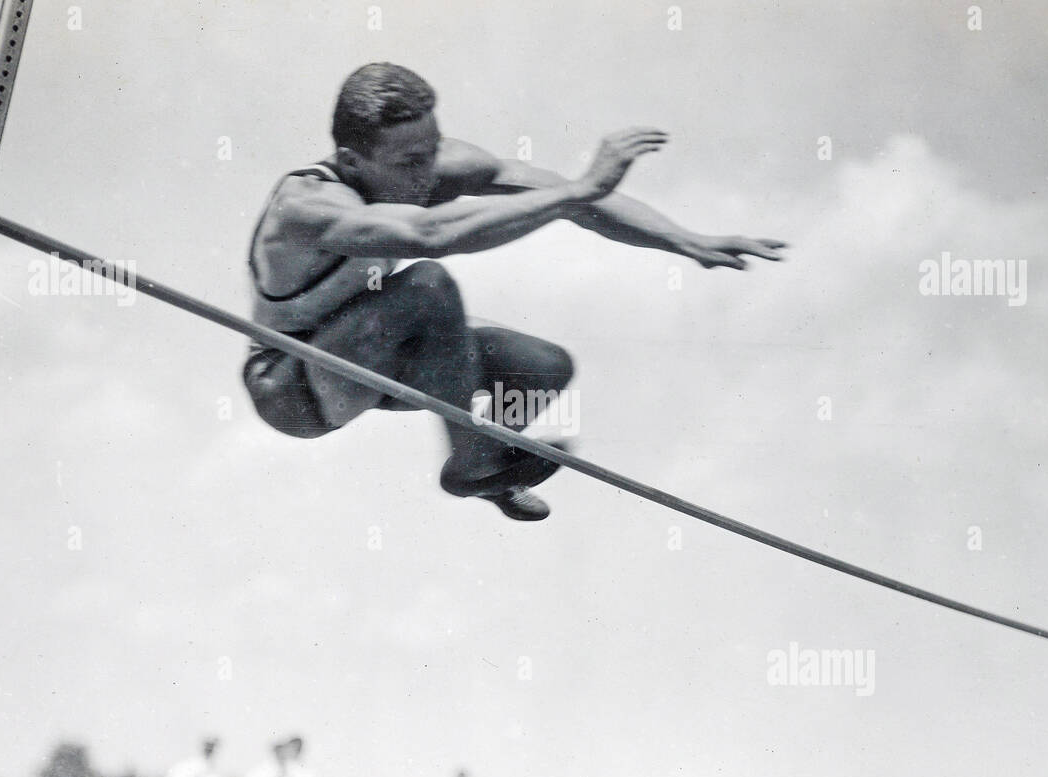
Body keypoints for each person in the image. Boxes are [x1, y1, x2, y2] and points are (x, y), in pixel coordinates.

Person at [243, 62, 785, 521]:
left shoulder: (431, 165)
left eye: (431, 151)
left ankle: (482, 468)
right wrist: (579, 188)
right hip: (292, 387)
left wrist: (684, 240)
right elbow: (427, 236)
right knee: (428, 287)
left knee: (543, 368)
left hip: (377, 356)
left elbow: (570, 199)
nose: (426, 174)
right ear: (351, 161)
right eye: (410, 163)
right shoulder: (307, 206)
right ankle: (477, 460)